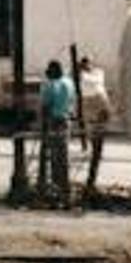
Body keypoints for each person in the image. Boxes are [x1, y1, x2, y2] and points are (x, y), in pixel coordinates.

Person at [40, 59, 76, 197]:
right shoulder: (69, 83)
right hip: (66, 120)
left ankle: (56, 187)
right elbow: (73, 101)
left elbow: (46, 106)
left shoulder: (51, 85)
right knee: (64, 154)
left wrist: (43, 124)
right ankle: (65, 186)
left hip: (54, 121)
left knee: (54, 156)